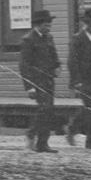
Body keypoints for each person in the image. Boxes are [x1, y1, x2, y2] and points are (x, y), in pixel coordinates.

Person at [19, 10, 62, 154]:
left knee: (49, 111)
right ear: (37, 24)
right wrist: (29, 87)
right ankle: (31, 133)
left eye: (50, 25)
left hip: (49, 80)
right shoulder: (28, 40)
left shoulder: (49, 38)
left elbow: (54, 55)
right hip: (37, 82)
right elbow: (24, 65)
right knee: (44, 108)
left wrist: (57, 66)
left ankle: (43, 143)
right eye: (46, 25)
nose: (49, 27)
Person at [66, 8, 91, 149]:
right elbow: (72, 61)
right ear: (88, 23)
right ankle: (88, 139)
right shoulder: (78, 38)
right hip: (84, 80)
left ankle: (76, 132)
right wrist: (76, 80)